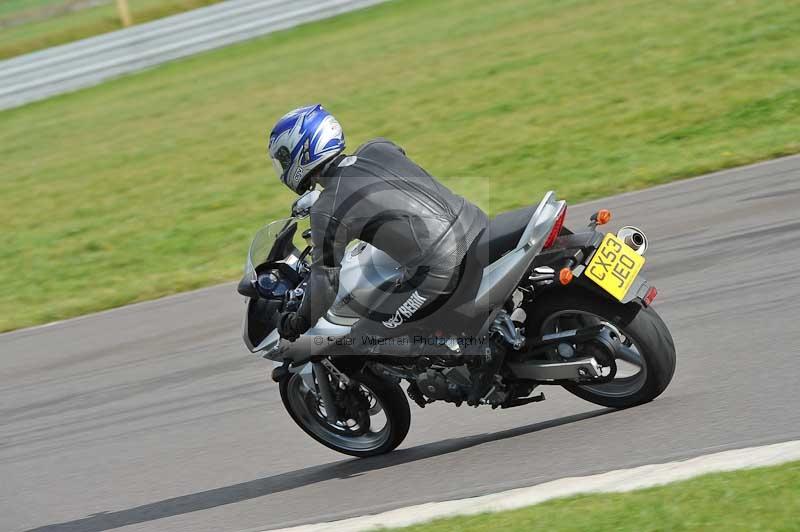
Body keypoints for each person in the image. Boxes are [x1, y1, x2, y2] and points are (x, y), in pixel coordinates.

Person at [268, 104, 487, 341]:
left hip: (442, 268)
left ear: (303, 150)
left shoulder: (327, 208)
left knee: (362, 341)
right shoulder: (379, 147)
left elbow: (325, 282)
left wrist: (297, 322)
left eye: (283, 157)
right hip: (477, 225)